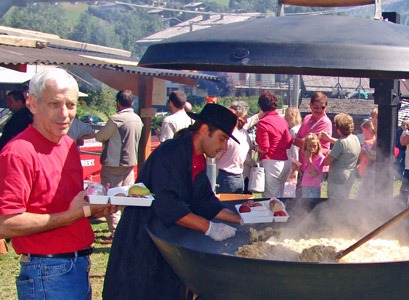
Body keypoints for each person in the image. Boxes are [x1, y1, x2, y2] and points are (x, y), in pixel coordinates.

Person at [103, 103, 242, 300]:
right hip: (143, 238)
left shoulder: (197, 158)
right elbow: (167, 205)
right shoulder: (171, 152)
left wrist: (240, 219)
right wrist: (209, 228)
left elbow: (203, 200)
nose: (224, 146)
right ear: (204, 130)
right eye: (222, 138)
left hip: (167, 241)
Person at [0, 68, 116, 299]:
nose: (64, 114)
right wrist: (72, 215)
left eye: (71, 105)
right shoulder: (18, 153)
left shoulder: (67, 145)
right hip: (47, 271)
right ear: (32, 104)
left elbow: (65, 204)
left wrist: (98, 207)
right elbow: (5, 224)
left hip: (75, 264)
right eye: (54, 104)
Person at [95, 90, 144, 243]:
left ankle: (116, 232)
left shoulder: (116, 119)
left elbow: (100, 136)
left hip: (114, 163)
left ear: (118, 102)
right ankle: (127, 230)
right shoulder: (137, 119)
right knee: (128, 198)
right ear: (132, 102)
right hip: (130, 163)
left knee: (111, 197)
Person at [256, 91, 291, 198]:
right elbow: (288, 144)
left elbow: (264, 148)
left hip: (271, 162)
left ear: (260, 106)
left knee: (270, 200)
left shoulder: (263, 122)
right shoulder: (283, 121)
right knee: (279, 197)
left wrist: (255, 148)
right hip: (285, 162)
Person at [323, 113, 361, 199]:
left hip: (337, 180)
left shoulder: (341, 143)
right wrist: (329, 138)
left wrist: (328, 153)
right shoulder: (355, 138)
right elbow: (345, 145)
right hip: (349, 177)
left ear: (339, 128)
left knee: (335, 204)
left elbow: (327, 162)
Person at [215, 106, 250, 194]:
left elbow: (215, 156)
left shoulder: (227, 138)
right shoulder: (242, 137)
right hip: (239, 177)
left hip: (226, 177)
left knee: (225, 205)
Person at [300, 133, 325, 198]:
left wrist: (309, 161)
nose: (312, 149)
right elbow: (304, 172)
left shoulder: (320, 158)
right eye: (310, 146)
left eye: (314, 146)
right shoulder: (306, 157)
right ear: (306, 146)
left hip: (314, 187)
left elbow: (314, 174)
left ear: (318, 146)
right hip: (305, 185)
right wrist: (297, 168)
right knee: (305, 205)